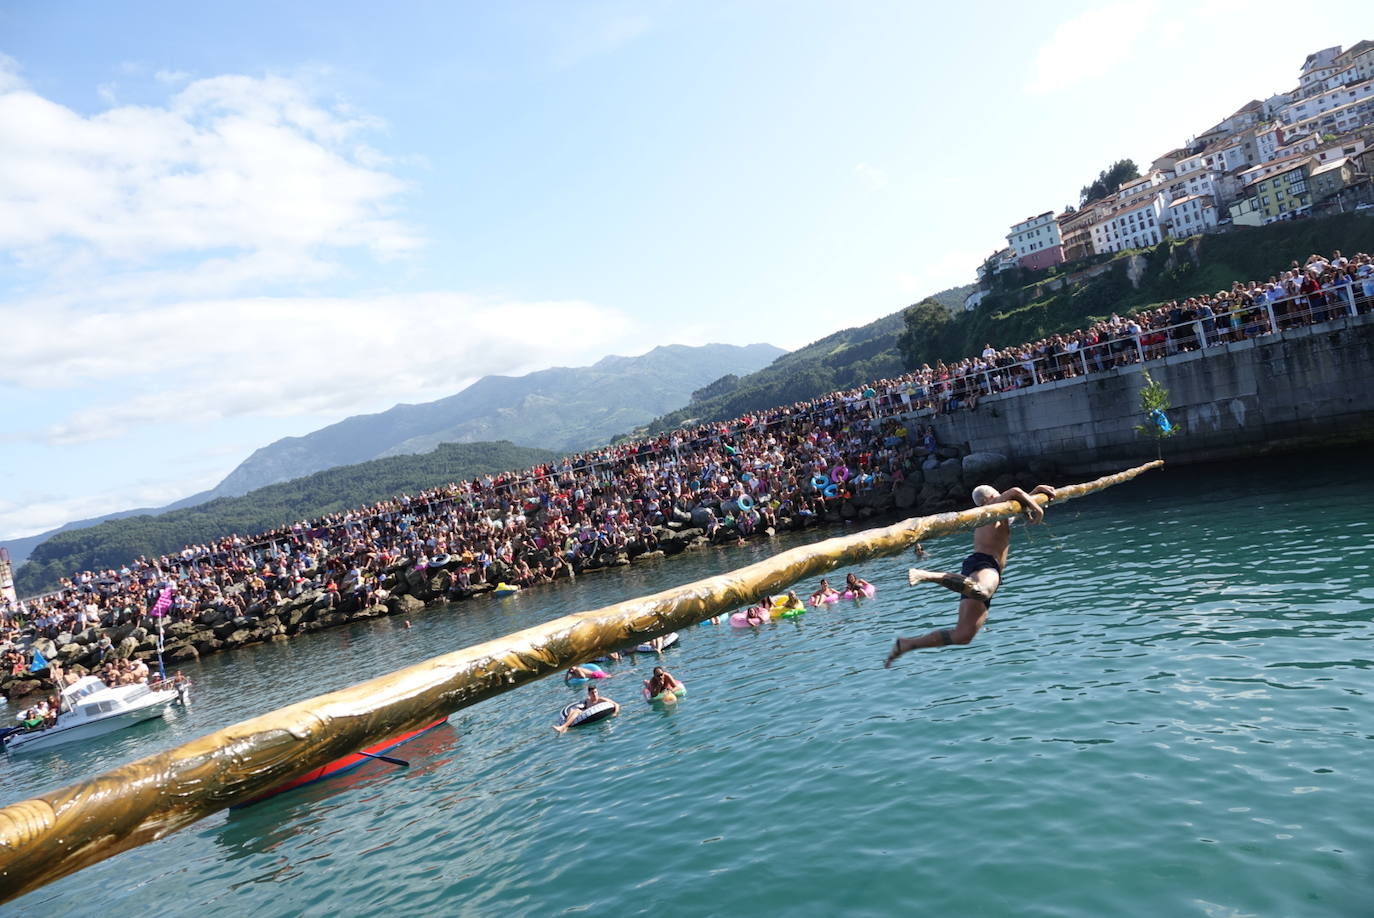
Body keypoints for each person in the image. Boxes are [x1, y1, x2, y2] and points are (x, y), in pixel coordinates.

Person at [884, 482, 1057, 667]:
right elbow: (1015, 491)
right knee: (983, 591)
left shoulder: (999, 514)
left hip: (986, 567)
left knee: (963, 635)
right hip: (984, 564)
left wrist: (1036, 491)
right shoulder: (991, 507)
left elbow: (1020, 502)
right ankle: (925, 575)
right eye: (998, 495)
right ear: (988, 499)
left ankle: (908, 644)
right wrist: (1038, 509)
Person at [554, 684, 619, 733]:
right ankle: (565, 726)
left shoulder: (601, 700)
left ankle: (563, 727)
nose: (594, 694)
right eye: (592, 693)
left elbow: (616, 704)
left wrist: (615, 713)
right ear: (589, 694)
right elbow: (580, 706)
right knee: (573, 710)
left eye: (595, 692)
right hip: (585, 714)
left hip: (595, 717)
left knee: (576, 711)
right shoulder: (588, 700)